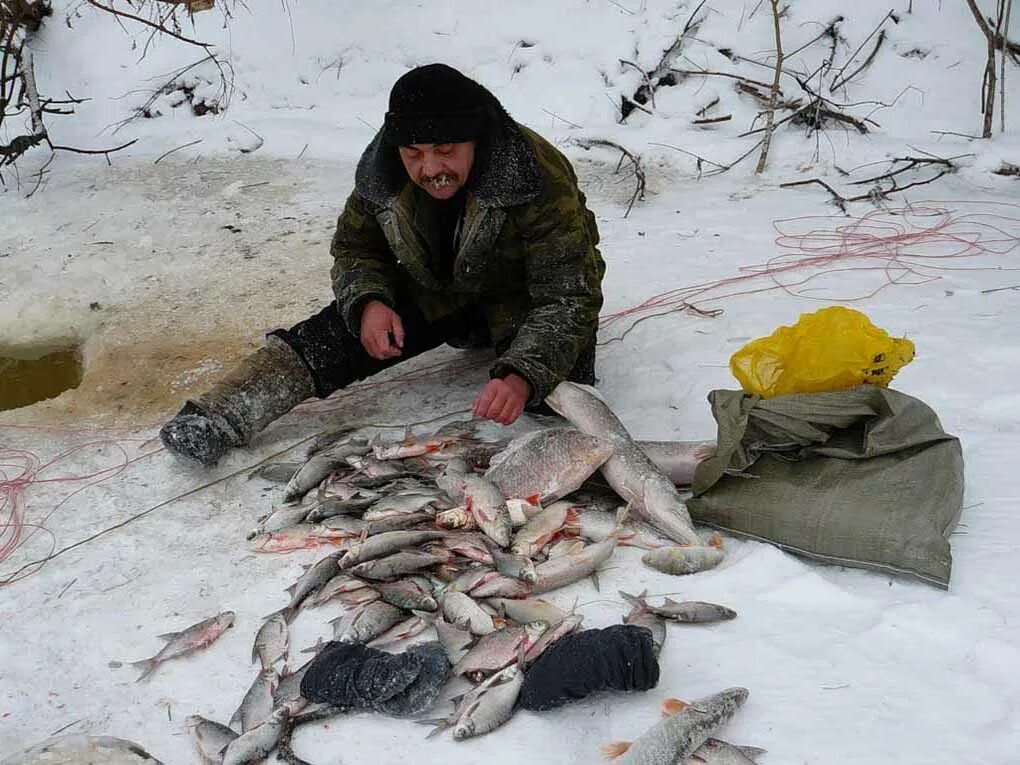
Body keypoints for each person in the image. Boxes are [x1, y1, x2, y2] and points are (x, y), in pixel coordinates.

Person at [160, 63, 605, 465]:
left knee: (558, 394)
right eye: (414, 154)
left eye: (446, 149)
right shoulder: (382, 170)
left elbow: (569, 292)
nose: (431, 169)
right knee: (335, 336)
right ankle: (222, 413)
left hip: (521, 297)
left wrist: (522, 374)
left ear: (476, 137)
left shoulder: (532, 170)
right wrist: (368, 300)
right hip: (438, 289)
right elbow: (356, 246)